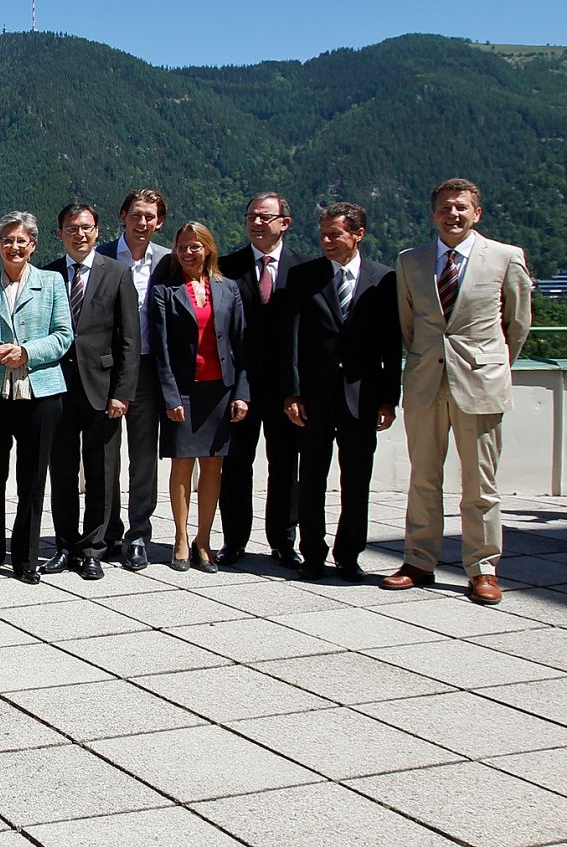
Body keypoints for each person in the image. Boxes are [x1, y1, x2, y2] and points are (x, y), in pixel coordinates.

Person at [384, 178, 532, 605]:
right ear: (434, 214)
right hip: (425, 383)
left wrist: (494, 364)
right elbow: (408, 325)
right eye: (446, 207)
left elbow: (517, 323)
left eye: (461, 207)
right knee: (423, 478)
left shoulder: (505, 257)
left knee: (480, 484)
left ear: (476, 213)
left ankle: (483, 568)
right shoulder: (411, 261)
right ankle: (418, 561)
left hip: (481, 383)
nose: (453, 214)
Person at [284, 202, 400, 582]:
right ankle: (312, 554)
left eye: (335, 234)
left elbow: (391, 344)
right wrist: (292, 393)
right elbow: (292, 339)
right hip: (314, 397)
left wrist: (389, 399)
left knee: (356, 480)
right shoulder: (305, 276)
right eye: (323, 235)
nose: (327, 241)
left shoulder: (384, 279)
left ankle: (349, 555)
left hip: (361, 397)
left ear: (358, 234)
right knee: (311, 478)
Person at [42, 202, 139, 580]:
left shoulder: (117, 273)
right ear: (60, 234)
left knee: (102, 471)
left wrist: (122, 392)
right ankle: (65, 545)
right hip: (57, 388)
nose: (79, 234)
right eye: (71, 228)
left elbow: (129, 339)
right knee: (62, 471)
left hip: (103, 388)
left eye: (86, 227)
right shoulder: (48, 274)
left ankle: (94, 548)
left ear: (97, 231)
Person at [218, 193, 313, 569]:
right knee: (236, 464)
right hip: (239, 384)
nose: (256, 222)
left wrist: (298, 389)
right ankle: (234, 540)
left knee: (285, 464)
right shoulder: (227, 267)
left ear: (284, 223)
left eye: (265, 217)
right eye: (251, 216)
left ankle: (283, 541)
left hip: (286, 387)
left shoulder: (304, 269)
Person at [0, 212, 72, 582]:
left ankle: (25, 558)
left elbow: (63, 336)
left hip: (41, 391)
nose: (14, 247)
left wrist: (27, 352)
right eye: (7, 240)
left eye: (22, 240)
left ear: (33, 245)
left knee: (32, 478)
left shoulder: (51, 282)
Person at [149, 222, 250, 574]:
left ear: (208, 249)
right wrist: (170, 396)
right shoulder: (164, 291)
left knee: (213, 466)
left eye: (195, 246)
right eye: (181, 247)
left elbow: (241, 344)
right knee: (182, 464)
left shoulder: (228, 288)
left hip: (220, 390)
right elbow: (161, 349)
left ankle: (203, 541)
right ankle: (180, 539)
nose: (188, 253)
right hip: (183, 392)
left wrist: (241, 393)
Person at [99, 189, 172, 571]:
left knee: (144, 456)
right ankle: (108, 531)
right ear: (123, 216)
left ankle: (139, 534)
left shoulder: (168, 261)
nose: (142, 223)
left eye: (150, 217)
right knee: (105, 455)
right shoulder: (103, 256)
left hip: (148, 368)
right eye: (136, 215)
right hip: (108, 367)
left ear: (159, 222)